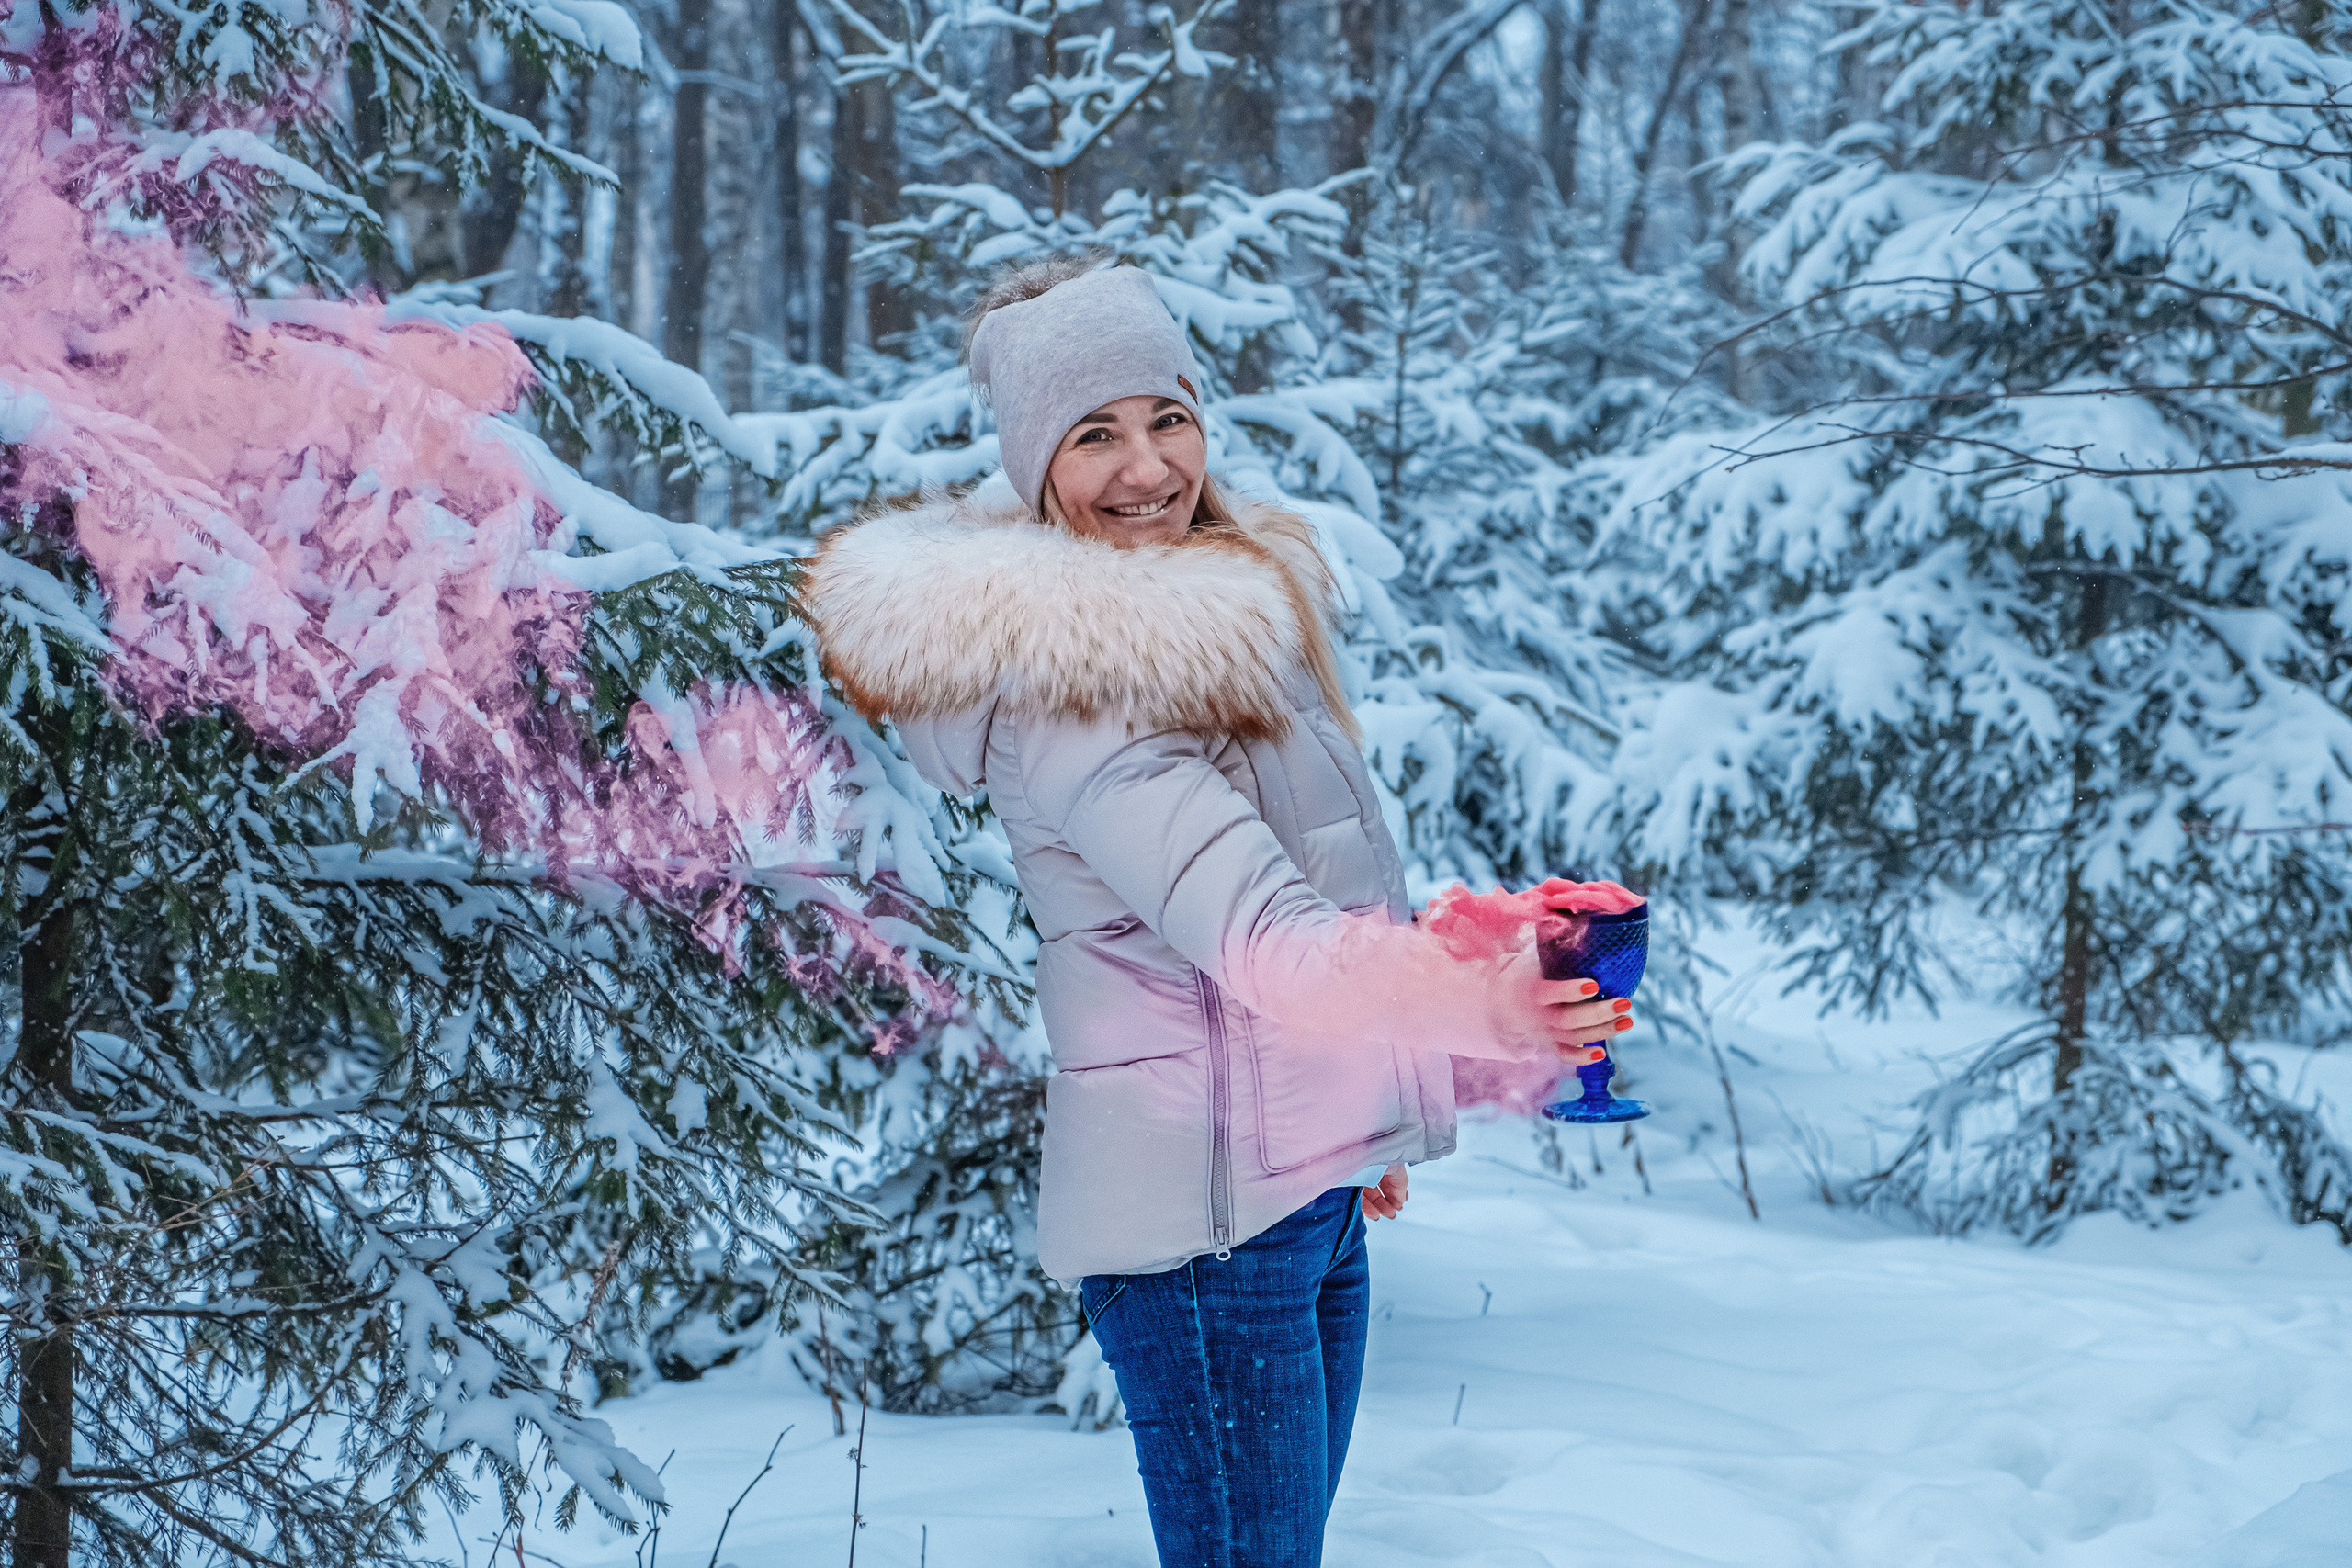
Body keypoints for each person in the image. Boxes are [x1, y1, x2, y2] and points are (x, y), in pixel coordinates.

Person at [801, 258, 1634, 1568]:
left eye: (1168, 418)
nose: (1148, 468)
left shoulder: (1215, 610)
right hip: (1207, 1234)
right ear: (1033, 464)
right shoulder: (1078, 680)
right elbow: (1264, 935)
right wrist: (1487, 1004)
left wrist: (1365, 1109)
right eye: (1094, 435)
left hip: (1295, 1191)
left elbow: (1313, 887)